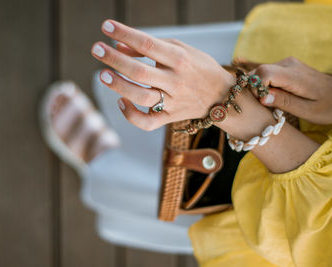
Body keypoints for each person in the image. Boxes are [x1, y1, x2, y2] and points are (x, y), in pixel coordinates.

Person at [91, 13, 332, 267]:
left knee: (161, 180)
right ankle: (107, 141)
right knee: (160, 82)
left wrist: (227, 103)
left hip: (294, 206)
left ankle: (100, 157)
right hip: (309, 76)